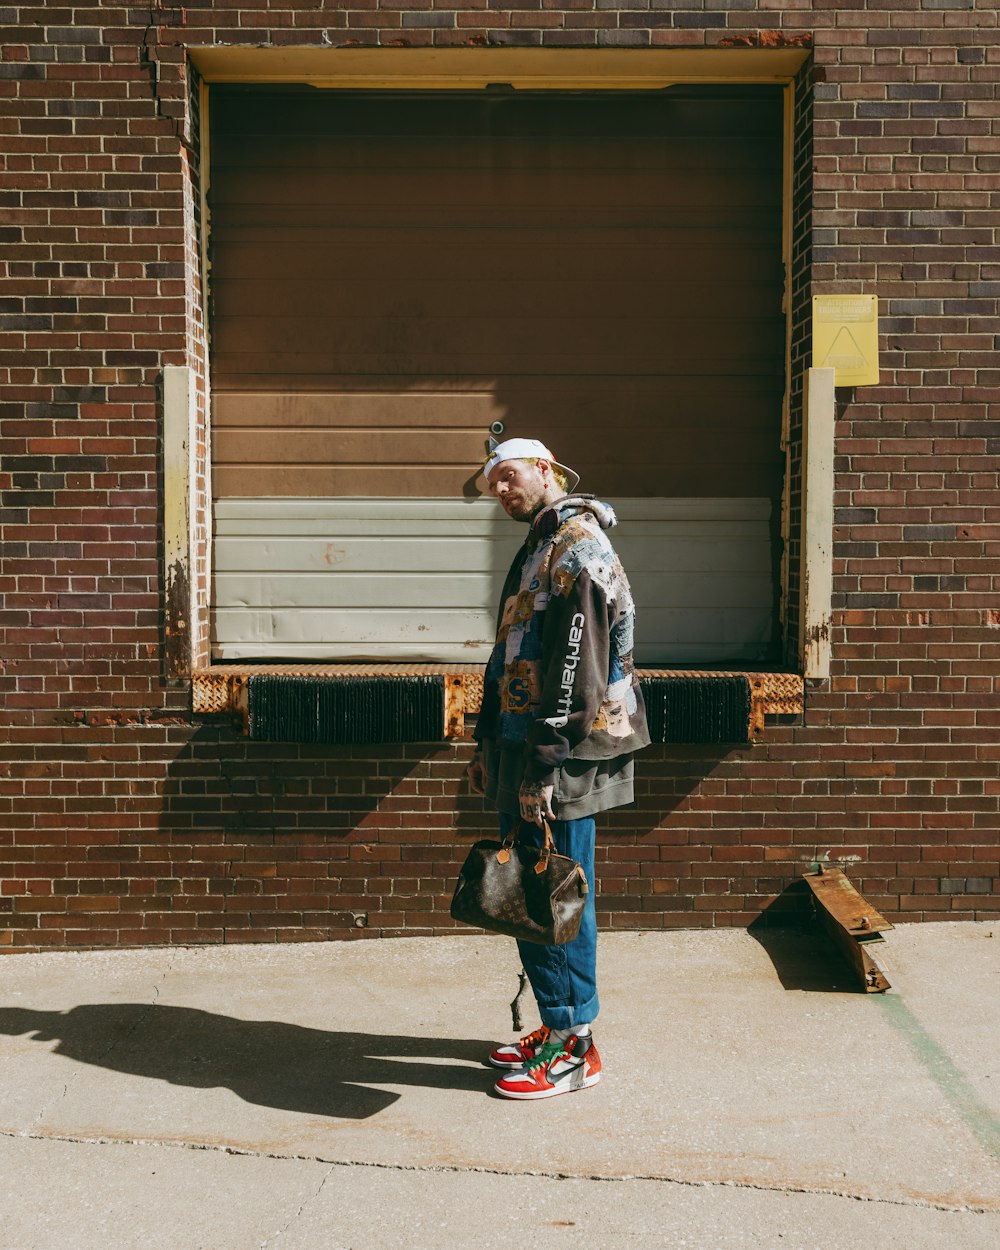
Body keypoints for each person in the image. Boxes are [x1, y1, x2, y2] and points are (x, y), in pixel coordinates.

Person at [466, 437, 650, 1100]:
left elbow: (578, 671)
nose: (499, 491)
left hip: (563, 752)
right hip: (525, 745)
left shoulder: (579, 546)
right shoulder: (541, 544)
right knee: (528, 893)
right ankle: (554, 1024)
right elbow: (512, 648)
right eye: (492, 484)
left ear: (546, 471)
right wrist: (487, 744)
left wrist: (542, 766)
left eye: (508, 477)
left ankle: (575, 1046)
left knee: (557, 895)